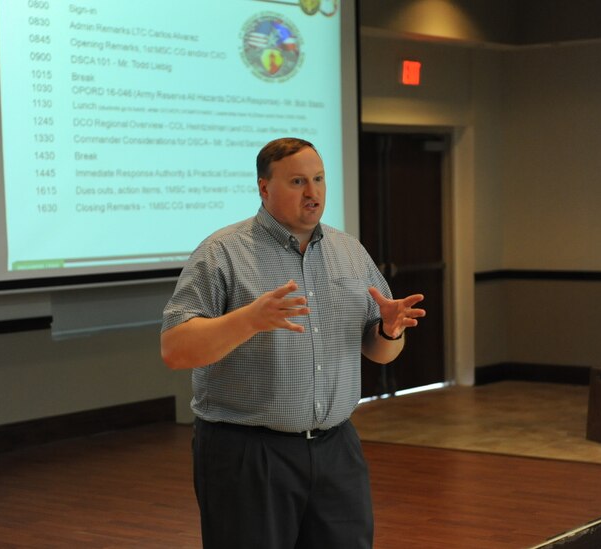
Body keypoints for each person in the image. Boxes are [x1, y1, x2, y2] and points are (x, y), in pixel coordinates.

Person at [160, 137, 425, 549]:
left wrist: (390, 330)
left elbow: (380, 352)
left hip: (336, 449)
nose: (313, 192)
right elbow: (175, 350)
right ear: (264, 188)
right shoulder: (222, 253)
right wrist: (248, 319)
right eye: (298, 181)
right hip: (248, 454)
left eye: (318, 179)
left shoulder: (349, 251)